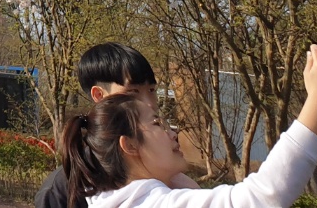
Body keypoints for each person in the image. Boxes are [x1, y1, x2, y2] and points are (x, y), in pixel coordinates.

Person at [62, 45, 317, 208]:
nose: (173, 132)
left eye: (151, 90)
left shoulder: (112, 192)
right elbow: (262, 197)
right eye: (157, 124)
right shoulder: (148, 203)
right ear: (130, 144)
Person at [36, 44, 199, 208]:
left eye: (151, 90)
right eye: (132, 92)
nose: (149, 104)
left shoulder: (172, 179)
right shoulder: (63, 189)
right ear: (99, 95)